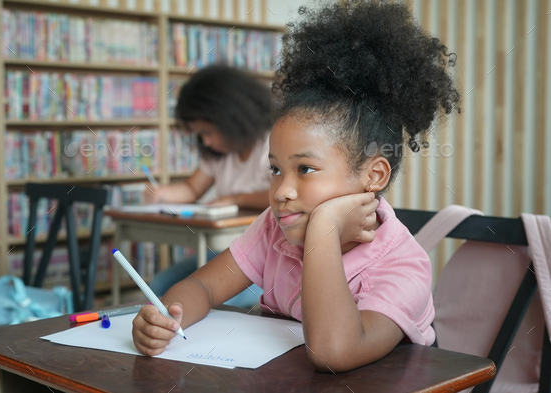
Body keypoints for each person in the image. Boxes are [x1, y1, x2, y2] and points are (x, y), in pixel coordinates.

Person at [133, 0, 461, 372]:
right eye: (275, 170)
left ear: (374, 176)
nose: (281, 191)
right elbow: (203, 287)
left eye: (304, 169)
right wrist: (165, 318)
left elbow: (333, 353)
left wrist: (324, 226)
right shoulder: (276, 229)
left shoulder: (402, 266)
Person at [145, 65, 272, 306]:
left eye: (207, 132)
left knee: (219, 302)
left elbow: (280, 196)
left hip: (264, 259)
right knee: (159, 286)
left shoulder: (272, 144)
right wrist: (162, 193)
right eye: (199, 135)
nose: (205, 141)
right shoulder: (218, 153)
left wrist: (235, 199)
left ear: (231, 118)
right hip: (226, 253)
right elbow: (192, 189)